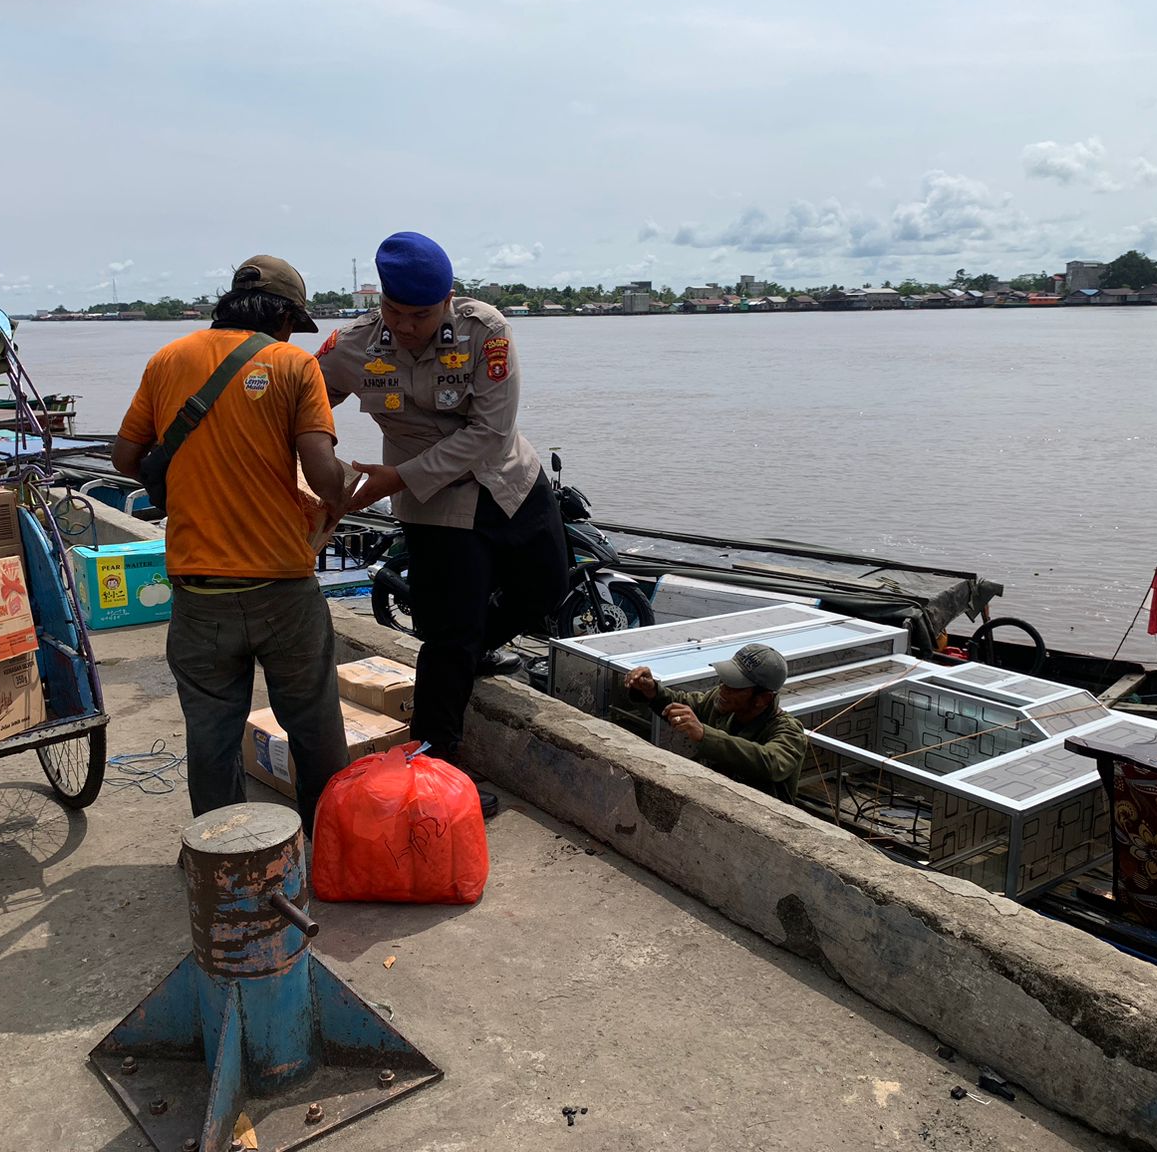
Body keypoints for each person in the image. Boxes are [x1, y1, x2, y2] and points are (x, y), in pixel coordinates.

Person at [113, 254, 350, 826]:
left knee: (211, 732)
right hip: (282, 587)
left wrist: (193, 476)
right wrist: (353, 485)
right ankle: (330, 846)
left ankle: (220, 854)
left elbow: (125, 458)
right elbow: (324, 477)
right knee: (314, 725)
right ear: (285, 317)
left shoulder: (167, 359)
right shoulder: (295, 364)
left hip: (199, 591)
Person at [317, 231, 569, 758]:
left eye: (422, 315)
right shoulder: (352, 346)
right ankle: (434, 763)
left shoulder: (486, 332)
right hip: (435, 507)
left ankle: (474, 650)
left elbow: (490, 431)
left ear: (448, 299)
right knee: (450, 634)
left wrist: (396, 478)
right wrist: (315, 462)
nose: (407, 326)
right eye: (395, 311)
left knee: (546, 586)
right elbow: (302, 403)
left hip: (508, 480)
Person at [623, 643, 809, 804]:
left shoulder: (789, 732)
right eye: (724, 680)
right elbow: (683, 703)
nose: (722, 689)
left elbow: (771, 762)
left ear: (763, 699)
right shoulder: (720, 700)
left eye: (734, 686)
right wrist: (652, 691)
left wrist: (705, 735)